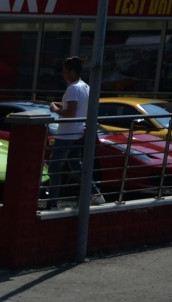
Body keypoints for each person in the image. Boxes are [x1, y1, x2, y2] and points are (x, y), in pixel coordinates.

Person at [48, 56, 97, 209]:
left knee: (55, 167)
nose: (63, 74)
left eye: (65, 71)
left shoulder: (73, 88)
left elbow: (70, 112)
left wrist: (55, 108)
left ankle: (52, 203)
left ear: (73, 72)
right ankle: (95, 194)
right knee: (76, 165)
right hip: (78, 133)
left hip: (66, 134)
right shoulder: (86, 87)